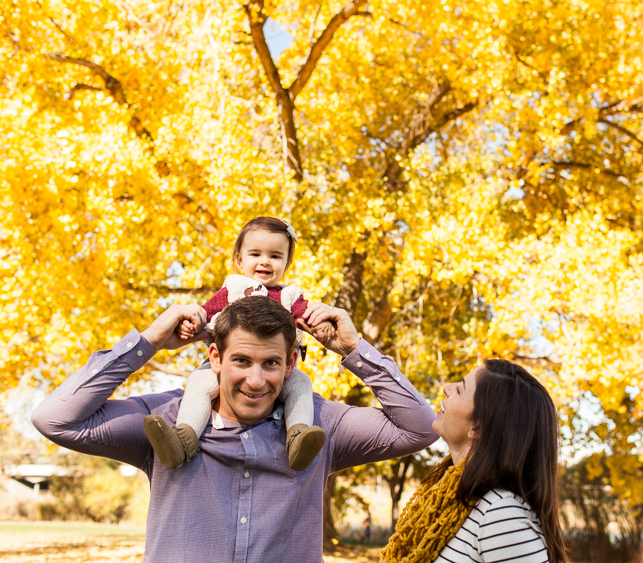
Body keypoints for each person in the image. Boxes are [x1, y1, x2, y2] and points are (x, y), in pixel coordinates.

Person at [32, 296, 437, 562]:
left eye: (271, 364)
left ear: (291, 364)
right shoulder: (167, 419)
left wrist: (355, 350)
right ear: (215, 358)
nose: (257, 381)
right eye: (241, 361)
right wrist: (150, 340)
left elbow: (422, 428)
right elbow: (55, 418)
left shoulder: (320, 424)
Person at [144, 216, 328, 471]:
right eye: (255, 254)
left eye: (275, 256)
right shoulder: (233, 289)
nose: (265, 261)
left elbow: (308, 319)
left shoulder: (289, 296)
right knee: (199, 383)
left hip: (278, 368)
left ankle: (298, 438)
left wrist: (323, 323)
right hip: (225, 368)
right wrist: (191, 323)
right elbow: (205, 313)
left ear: (287, 263)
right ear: (240, 259)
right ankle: (183, 439)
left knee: (301, 384)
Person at [381, 359, 569, 563]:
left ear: (477, 428)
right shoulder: (447, 498)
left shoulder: (501, 514)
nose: (446, 388)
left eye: (460, 390)